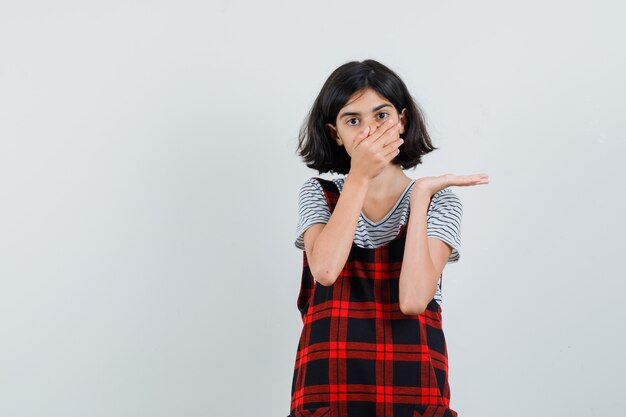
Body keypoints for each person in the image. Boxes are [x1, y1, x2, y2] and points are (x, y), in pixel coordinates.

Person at [288, 59, 488, 417]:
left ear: (403, 120)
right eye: (353, 120)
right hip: (327, 394)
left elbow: (413, 300)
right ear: (336, 133)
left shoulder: (440, 199)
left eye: (381, 116)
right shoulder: (317, 193)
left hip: (412, 393)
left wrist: (421, 196)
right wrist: (359, 177)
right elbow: (326, 270)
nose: (370, 131)